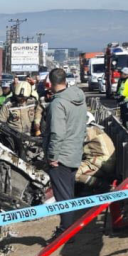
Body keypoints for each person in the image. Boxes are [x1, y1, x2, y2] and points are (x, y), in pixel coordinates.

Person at [43, 67, 87, 238]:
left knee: (63, 196)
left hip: (60, 157)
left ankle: (65, 231)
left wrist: (53, 157)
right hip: (75, 152)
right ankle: (69, 228)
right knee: (68, 193)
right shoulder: (79, 98)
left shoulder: (58, 104)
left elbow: (57, 133)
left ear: (50, 82)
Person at [75, 112, 116, 189]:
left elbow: (74, 142)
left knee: (73, 173)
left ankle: (104, 186)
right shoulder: (95, 129)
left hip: (100, 163)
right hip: (101, 162)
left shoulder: (90, 130)